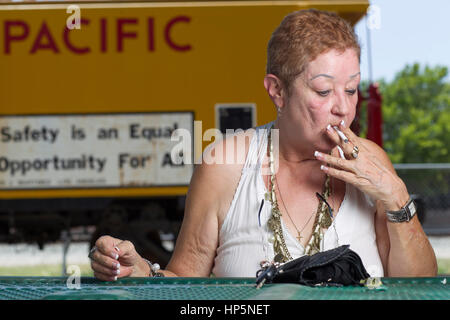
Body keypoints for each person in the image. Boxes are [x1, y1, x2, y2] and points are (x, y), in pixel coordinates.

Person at [89, 9, 437, 281]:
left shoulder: (373, 162)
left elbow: (417, 285)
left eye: (350, 89)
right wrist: (142, 272)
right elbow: (183, 280)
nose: (343, 108)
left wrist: (395, 196)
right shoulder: (224, 164)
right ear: (278, 91)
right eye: (322, 91)